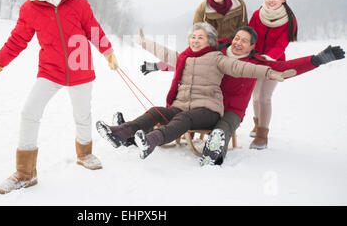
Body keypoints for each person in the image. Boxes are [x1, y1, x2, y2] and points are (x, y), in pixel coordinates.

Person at [0, 0, 118, 194]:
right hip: (50, 70)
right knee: (29, 112)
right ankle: (25, 173)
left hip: (80, 66)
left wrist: (108, 52)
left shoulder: (78, 3)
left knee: (82, 115)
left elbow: (93, 29)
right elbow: (17, 41)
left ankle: (84, 154)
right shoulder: (30, 8)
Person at [137, 26, 344, 164]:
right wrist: (156, 66)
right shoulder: (216, 52)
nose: (237, 43)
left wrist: (316, 60)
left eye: (244, 41)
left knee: (223, 128)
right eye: (236, 38)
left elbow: (284, 68)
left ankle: (215, 153)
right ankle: (141, 132)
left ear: (252, 46)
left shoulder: (257, 62)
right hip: (204, 104)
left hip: (231, 110)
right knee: (174, 113)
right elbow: (185, 62)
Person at [96, 23, 295, 162]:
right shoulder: (186, 58)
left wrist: (270, 71)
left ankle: (150, 141)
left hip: (207, 110)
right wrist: (144, 42)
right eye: (193, 37)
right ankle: (120, 133)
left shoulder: (218, 57)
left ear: (209, 41)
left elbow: (244, 68)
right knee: (156, 111)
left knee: (185, 119)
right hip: (182, 106)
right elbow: (166, 54)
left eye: (200, 37)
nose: (195, 40)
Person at [248, 0, 297, 149]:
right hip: (255, 60)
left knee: (264, 97)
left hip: (275, 63)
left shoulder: (290, 19)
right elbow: (250, 35)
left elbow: (282, 44)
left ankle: (263, 134)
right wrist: (251, 53)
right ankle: (257, 123)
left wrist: (269, 57)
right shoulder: (257, 14)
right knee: (255, 97)